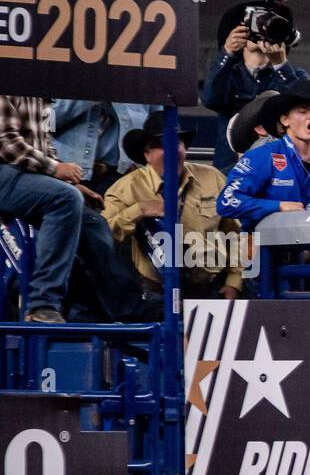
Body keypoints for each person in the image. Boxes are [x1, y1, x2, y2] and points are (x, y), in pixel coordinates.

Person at [0, 95, 128, 322]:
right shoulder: (8, 79)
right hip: (5, 172)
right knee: (65, 199)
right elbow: (6, 142)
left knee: (92, 220)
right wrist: (55, 169)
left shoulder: (38, 92)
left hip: (27, 174)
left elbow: (43, 143)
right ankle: (42, 304)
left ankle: (119, 310)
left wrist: (71, 183)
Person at [201, 0, 310, 171]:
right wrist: (227, 53)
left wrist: (280, 66)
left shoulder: (296, 75)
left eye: (266, 27)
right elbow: (211, 99)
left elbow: (308, 111)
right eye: (254, 26)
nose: (260, 32)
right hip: (228, 167)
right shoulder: (228, 74)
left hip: (279, 172)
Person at [103, 111, 243, 300]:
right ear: (147, 155)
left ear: (185, 149)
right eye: (159, 145)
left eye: (176, 143)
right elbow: (103, 234)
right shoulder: (125, 188)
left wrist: (233, 281)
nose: (170, 149)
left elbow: (236, 233)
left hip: (210, 290)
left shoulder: (213, 178)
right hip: (155, 293)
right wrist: (140, 210)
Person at [218, 80, 310, 231]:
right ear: (285, 120)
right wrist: (278, 206)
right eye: (303, 111)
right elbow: (226, 202)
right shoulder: (261, 156)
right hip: (262, 248)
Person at [52, 101, 157, 195]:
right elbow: (46, 122)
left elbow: (159, 130)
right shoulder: (61, 80)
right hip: (66, 175)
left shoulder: (145, 82)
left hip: (121, 177)